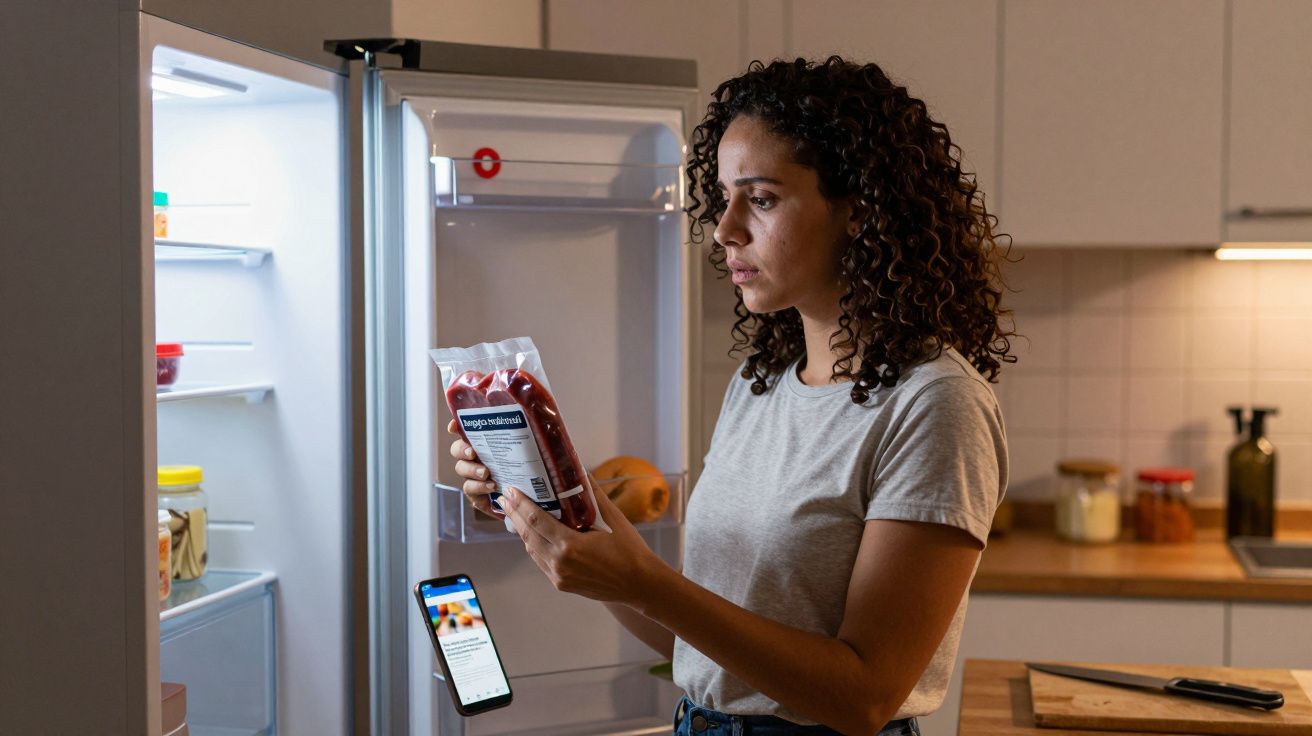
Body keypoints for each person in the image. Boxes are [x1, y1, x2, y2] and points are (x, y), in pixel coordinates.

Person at [448, 56, 1014, 736]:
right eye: (723, 198)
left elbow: (865, 696)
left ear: (859, 209)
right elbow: (704, 644)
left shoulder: (935, 405)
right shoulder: (761, 383)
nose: (724, 230)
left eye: (762, 199)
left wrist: (646, 582)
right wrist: (559, 516)